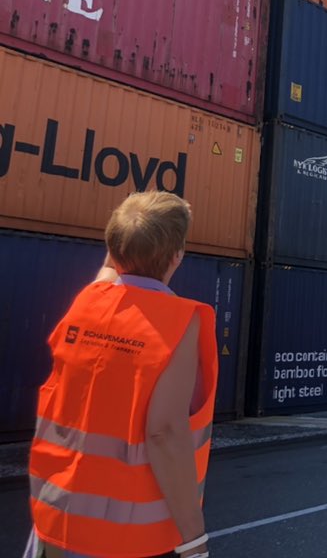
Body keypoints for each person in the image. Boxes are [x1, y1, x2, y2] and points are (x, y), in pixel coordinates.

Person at [25, 192, 218, 558]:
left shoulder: (88, 302)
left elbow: (111, 268)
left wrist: (132, 224)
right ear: (177, 256)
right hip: (123, 539)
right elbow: (164, 433)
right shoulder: (177, 324)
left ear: (113, 250)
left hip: (54, 518)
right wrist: (195, 541)